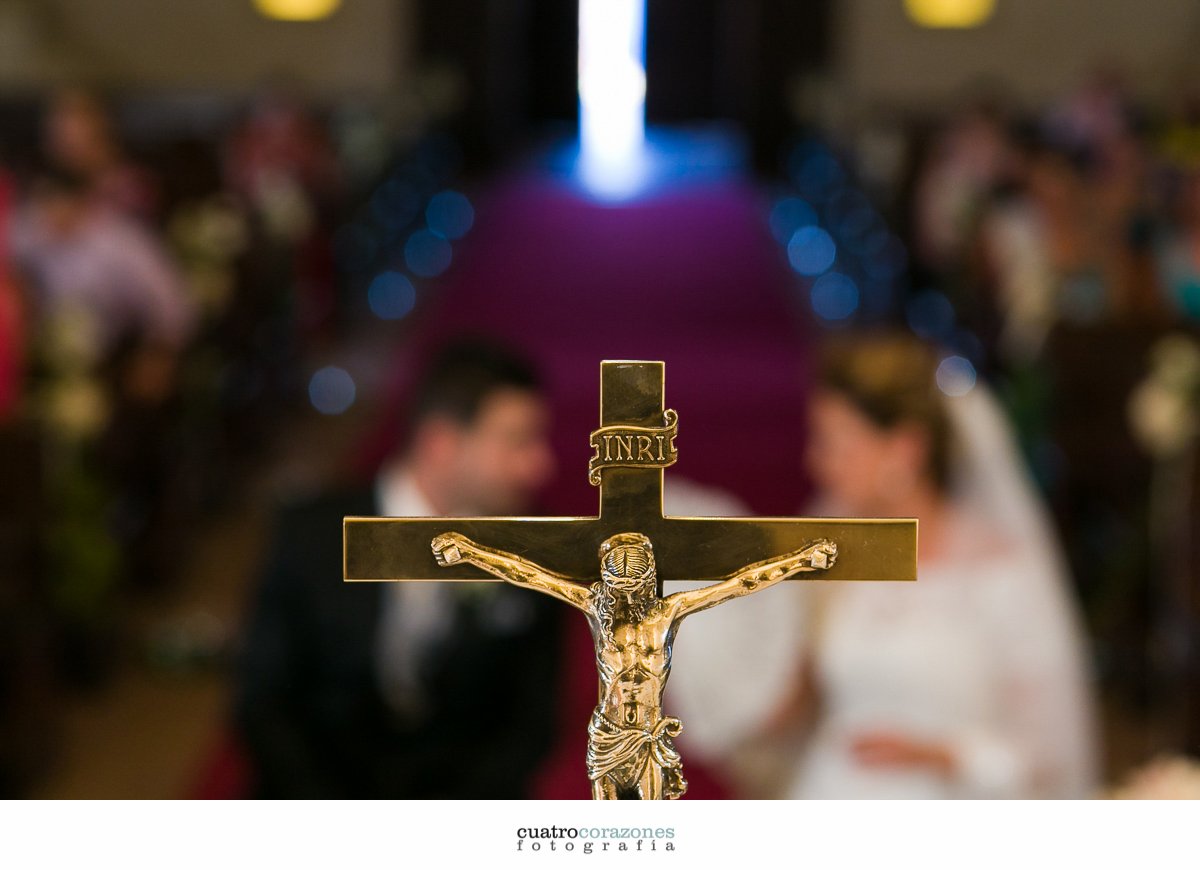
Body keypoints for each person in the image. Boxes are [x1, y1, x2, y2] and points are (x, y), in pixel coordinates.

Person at [768, 333, 1098, 799]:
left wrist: (942, 756)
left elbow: (1051, 749)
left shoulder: (998, 568)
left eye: (836, 443)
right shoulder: (836, 557)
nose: (816, 462)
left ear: (904, 450)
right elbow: (796, 704)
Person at [234, 341, 563, 798]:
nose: (540, 464)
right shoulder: (314, 535)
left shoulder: (533, 556)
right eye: (517, 441)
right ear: (441, 443)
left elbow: (530, 725)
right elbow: (264, 703)